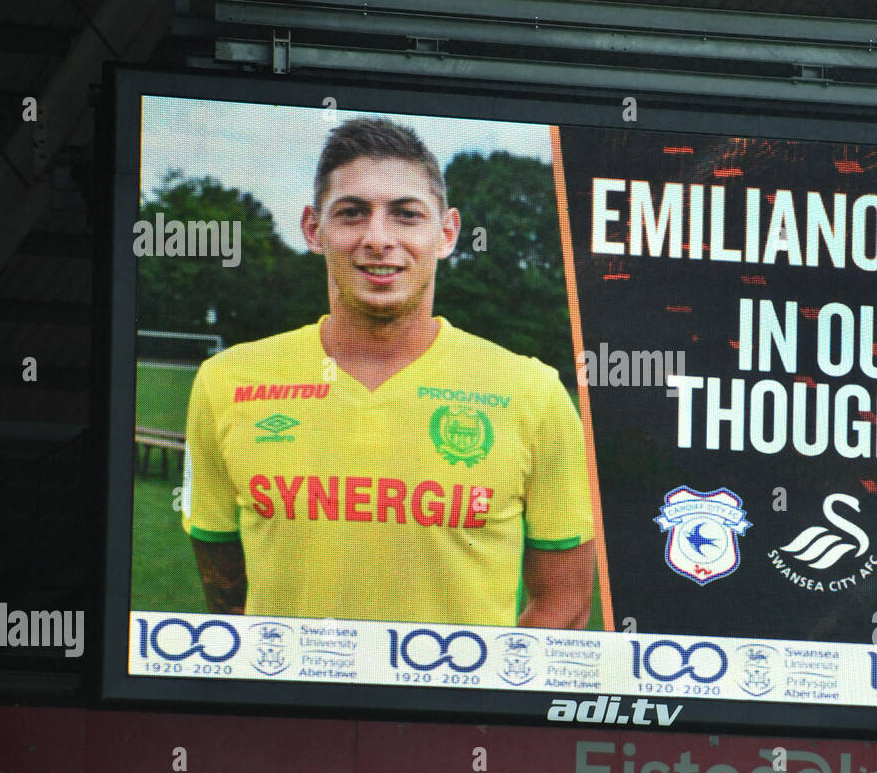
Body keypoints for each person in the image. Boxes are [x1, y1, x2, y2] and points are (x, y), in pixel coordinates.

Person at [180, 116, 595, 629]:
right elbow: (224, 588)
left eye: (405, 215)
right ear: (315, 229)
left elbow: (566, 603)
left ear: (446, 233)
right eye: (352, 214)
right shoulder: (227, 382)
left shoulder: (533, 392)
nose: (378, 238)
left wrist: (476, 706)